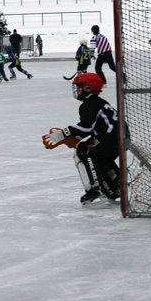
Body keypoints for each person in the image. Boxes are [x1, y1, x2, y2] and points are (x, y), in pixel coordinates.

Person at [43, 73, 120, 205]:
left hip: (111, 137)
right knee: (98, 156)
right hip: (115, 137)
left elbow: (86, 127)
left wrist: (64, 133)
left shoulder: (91, 104)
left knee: (83, 150)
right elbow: (88, 130)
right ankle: (115, 186)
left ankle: (94, 189)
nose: (77, 90)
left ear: (88, 88)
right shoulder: (96, 102)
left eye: (79, 87)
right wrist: (71, 137)